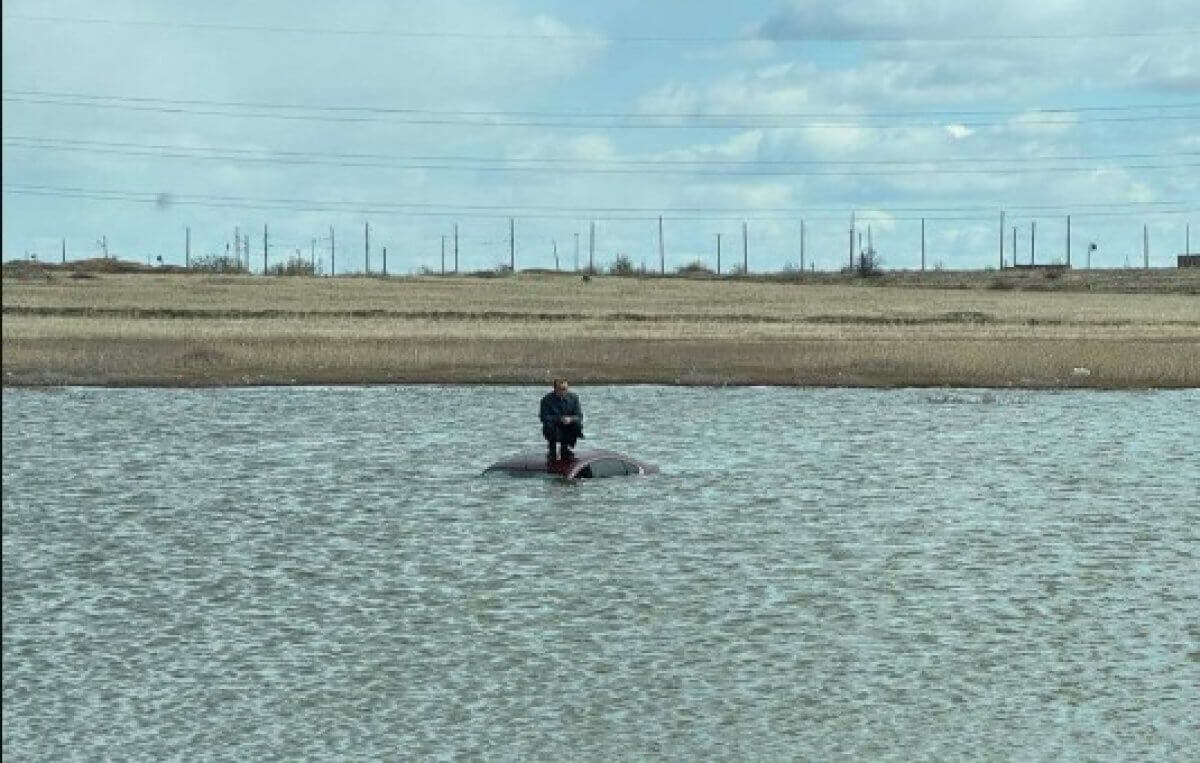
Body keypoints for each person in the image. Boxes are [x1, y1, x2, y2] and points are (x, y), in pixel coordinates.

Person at [540, 378, 584, 460]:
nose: (564, 391)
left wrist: (570, 419)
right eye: (562, 389)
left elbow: (579, 416)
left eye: (566, 389)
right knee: (548, 424)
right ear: (555, 389)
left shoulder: (574, 398)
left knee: (577, 424)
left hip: (568, 425)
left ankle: (565, 448)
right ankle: (552, 449)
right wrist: (560, 419)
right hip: (553, 427)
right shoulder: (546, 400)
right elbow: (544, 417)